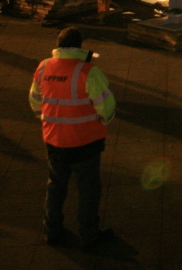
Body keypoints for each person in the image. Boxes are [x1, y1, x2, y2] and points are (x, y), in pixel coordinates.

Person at [30, 27, 117, 249]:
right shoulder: (88, 71)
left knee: (56, 186)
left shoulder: (43, 67)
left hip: (54, 140)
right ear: (80, 46)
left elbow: (34, 100)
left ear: (58, 45)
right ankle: (89, 235)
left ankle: (51, 231)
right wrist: (102, 120)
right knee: (88, 190)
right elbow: (106, 107)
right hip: (85, 142)